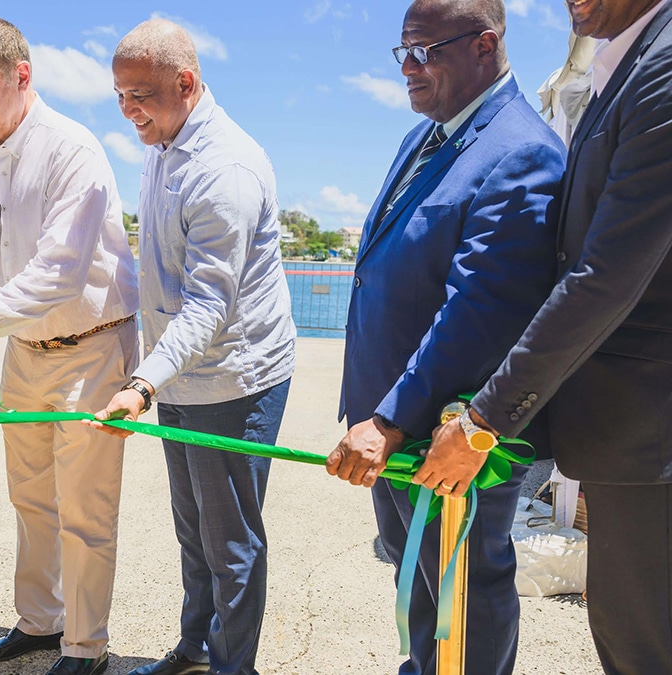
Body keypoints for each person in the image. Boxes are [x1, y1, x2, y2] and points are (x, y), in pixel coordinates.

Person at [423, 1, 672, 672]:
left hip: (650, 437)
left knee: (643, 648)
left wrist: (482, 421)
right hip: (627, 436)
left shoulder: (663, 68)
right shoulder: (625, 66)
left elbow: (604, 278)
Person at [323, 1, 566, 673]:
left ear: (485, 44)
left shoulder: (521, 151)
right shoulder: (424, 138)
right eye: (401, 51)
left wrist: (392, 418)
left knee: (466, 592)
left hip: (446, 436)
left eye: (424, 50)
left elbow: (479, 311)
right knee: (422, 587)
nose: (407, 66)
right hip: (390, 422)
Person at [0, 15, 139, 675]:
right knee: (29, 496)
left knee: (85, 507)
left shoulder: (74, 148)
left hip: (93, 346)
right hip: (24, 351)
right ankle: (42, 620)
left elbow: (58, 273)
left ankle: (85, 645)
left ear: (23, 75)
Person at [92, 18, 297, 675]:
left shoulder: (225, 169)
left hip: (235, 379)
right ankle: (197, 647)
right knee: (192, 527)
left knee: (230, 540)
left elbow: (209, 303)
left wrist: (142, 382)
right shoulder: (160, 143)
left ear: (186, 82)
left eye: (140, 96)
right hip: (178, 376)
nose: (129, 111)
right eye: (120, 96)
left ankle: (235, 667)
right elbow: (158, 273)